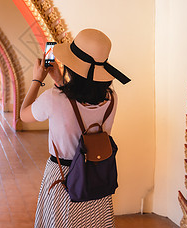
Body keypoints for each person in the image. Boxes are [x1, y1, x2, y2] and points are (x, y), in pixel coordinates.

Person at [20, 28, 130, 228]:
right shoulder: (111, 98)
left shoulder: (54, 99)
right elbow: (80, 105)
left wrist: (37, 79)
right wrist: (59, 81)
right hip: (96, 175)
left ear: (71, 66)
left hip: (64, 177)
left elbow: (24, 114)